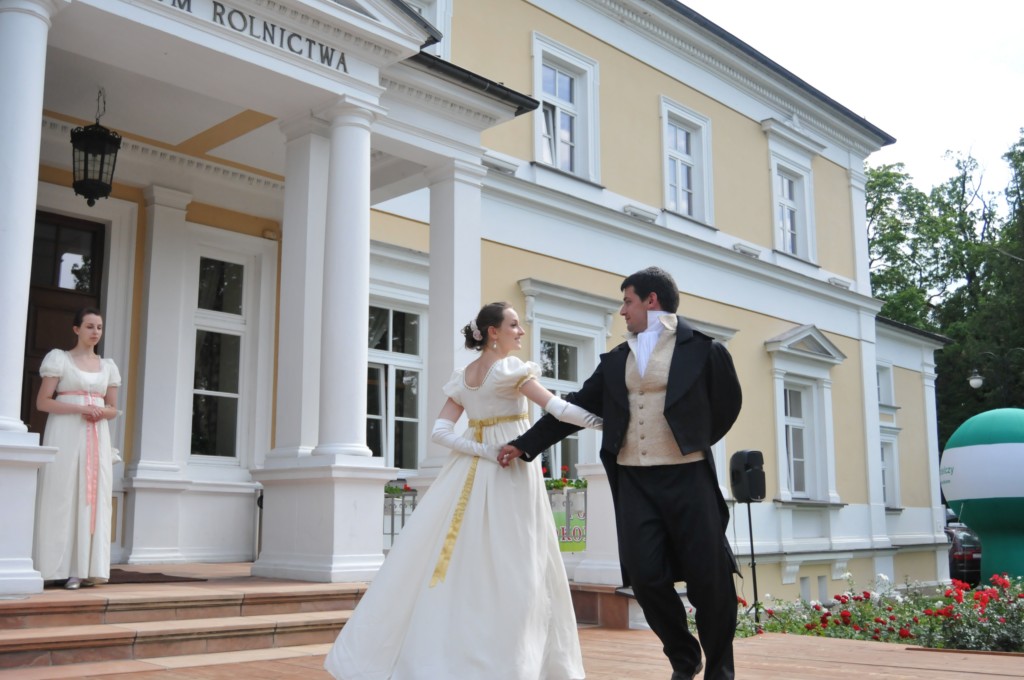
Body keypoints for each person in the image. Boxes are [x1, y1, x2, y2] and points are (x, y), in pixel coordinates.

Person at [324, 301, 601, 680]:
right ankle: (508, 660)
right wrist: (606, 423)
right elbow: (560, 409)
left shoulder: (465, 376)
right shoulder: (511, 370)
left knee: (465, 556)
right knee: (516, 557)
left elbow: (440, 432)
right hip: (509, 472)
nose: (521, 331)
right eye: (514, 325)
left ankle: (456, 650)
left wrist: (481, 449)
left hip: (468, 471)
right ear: (493, 332)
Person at [500, 267, 743, 680]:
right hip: (634, 480)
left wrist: (690, 438)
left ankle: (719, 671)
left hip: (688, 478)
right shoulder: (617, 360)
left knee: (710, 581)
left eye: (628, 301)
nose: (622, 311)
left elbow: (727, 404)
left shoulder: (705, 350)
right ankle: (685, 658)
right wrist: (526, 444)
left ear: (652, 300)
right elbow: (576, 406)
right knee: (644, 577)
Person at [34, 307, 122, 590]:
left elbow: (113, 408)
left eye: (99, 327)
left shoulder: (108, 366)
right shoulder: (59, 359)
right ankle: (53, 566)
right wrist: (80, 408)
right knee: (61, 494)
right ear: (76, 329)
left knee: (91, 496)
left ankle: (82, 570)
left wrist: (100, 412)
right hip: (65, 433)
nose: (95, 332)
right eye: (89, 326)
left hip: (96, 436)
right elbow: (43, 402)